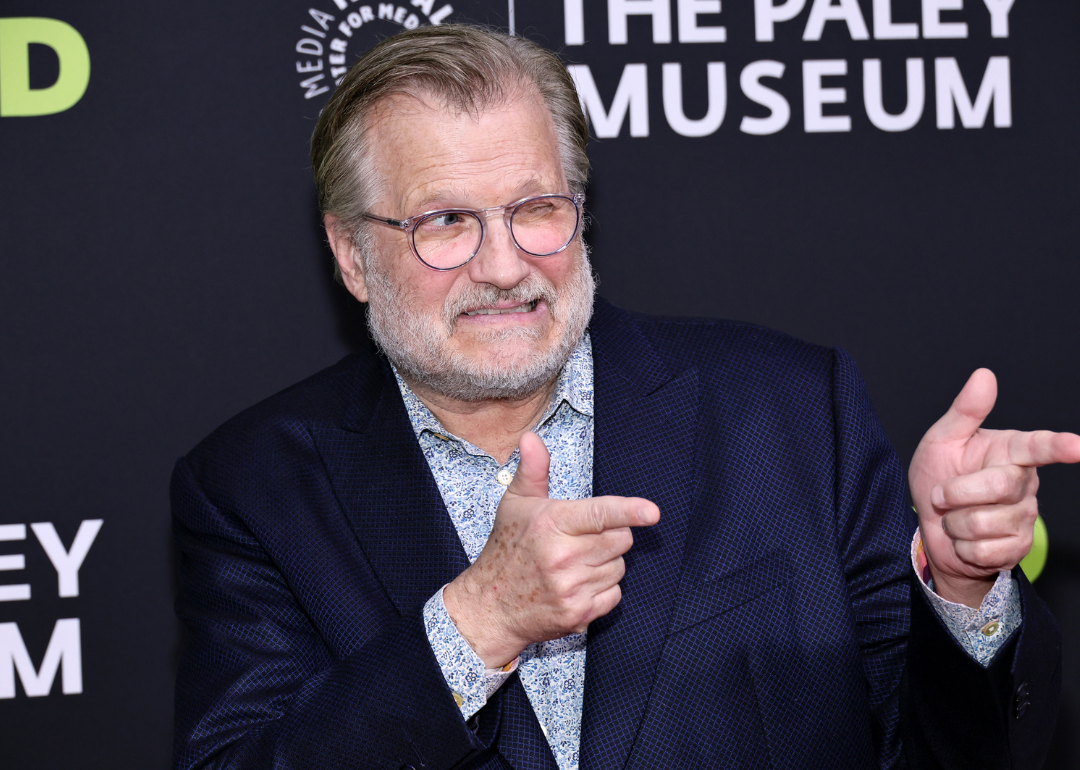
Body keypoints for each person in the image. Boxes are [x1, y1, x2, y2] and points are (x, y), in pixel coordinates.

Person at [171, 25, 1077, 770]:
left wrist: (960, 588)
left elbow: (966, 751)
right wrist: (476, 623)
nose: (503, 265)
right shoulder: (253, 489)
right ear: (351, 255)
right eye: (445, 221)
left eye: (537, 208)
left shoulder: (792, 413)